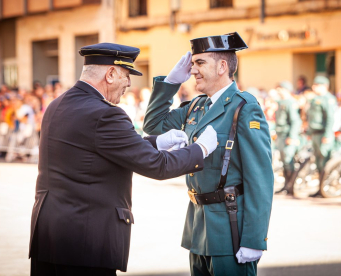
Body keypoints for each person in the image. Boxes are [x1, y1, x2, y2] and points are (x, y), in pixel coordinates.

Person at [29, 42, 218, 276]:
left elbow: (96, 148)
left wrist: (157, 142)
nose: (129, 83)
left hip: (49, 235)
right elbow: (157, 166)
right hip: (85, 242)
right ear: (110, 74)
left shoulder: (58, 104)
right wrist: (201, 149)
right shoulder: (105, 114)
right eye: (126, 75)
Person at [143, 32, 273, 276]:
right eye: (193, 64)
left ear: (222, 66)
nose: (193, 71)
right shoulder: (196, 106)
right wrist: (171, 83)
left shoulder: (244, 108)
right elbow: (152, 125)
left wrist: (254, 238)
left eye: (200, 63)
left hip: (229, 229)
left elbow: (260, 178)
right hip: (198, 226)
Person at [307, 76, 337, 197]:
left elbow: (330, 118)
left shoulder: (328, 99)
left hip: (323, 134)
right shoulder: (316, 99)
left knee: (325, 161)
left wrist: (328, 135)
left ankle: (327, 188)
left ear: (325, 86)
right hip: (315, 134)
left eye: (317, 85)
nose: (314, 87)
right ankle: (320, 189)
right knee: (319, 163)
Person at [274, 81, 302, 196]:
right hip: (281, 135)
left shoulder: (290, 103)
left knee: (288, 161)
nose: (278, 91)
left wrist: (292, 136)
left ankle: (290, 187)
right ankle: (286, 185)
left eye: (280, 88)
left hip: (287, 136)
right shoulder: (281, 102)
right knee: (284, 161)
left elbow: (295, 121)